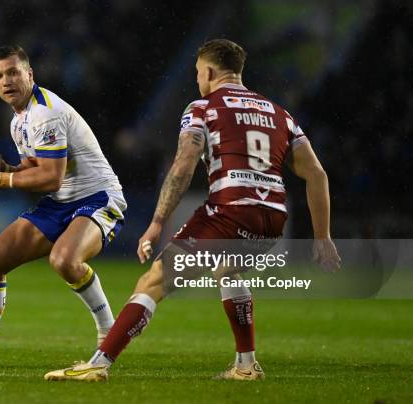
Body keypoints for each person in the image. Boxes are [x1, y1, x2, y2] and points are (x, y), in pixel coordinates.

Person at [45, 38, 341, 381]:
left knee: (153, 281)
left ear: (210, 71)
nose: (197, 79)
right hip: (272, 218)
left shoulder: (203, 108)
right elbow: (316, 174)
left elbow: (185, 162)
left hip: (230, 212)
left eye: (198, 72)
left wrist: (157, 222)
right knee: (227, 271)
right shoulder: (280, 114)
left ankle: (99, 364)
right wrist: (323, 237)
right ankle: (245, 367)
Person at [0, 45, 126, 367]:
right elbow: (35, 166)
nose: (7, 81)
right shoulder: (19, 120)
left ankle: (109, 332)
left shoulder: (45, 113)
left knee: (65, 260)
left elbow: (50, 178)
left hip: (98, 197)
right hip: (59, 203)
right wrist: (6, 169)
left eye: (13, 72)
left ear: (29, 74)